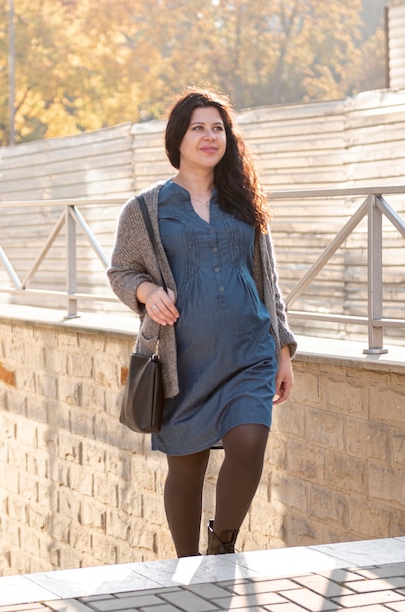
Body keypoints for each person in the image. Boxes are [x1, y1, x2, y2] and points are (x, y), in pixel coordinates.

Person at [107, 86, 296, 557]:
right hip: (183, 360)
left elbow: (267, 280)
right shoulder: (146, 210)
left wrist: (283, 350)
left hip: (248, 351)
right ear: (178, 138)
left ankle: (221, 545)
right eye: (199, 128)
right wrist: (148, 293)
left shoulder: (243, 201)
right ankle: (186, 566)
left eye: (218, 128)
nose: (210, 137)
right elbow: (121, 272)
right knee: (186, 470)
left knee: (250, 439)